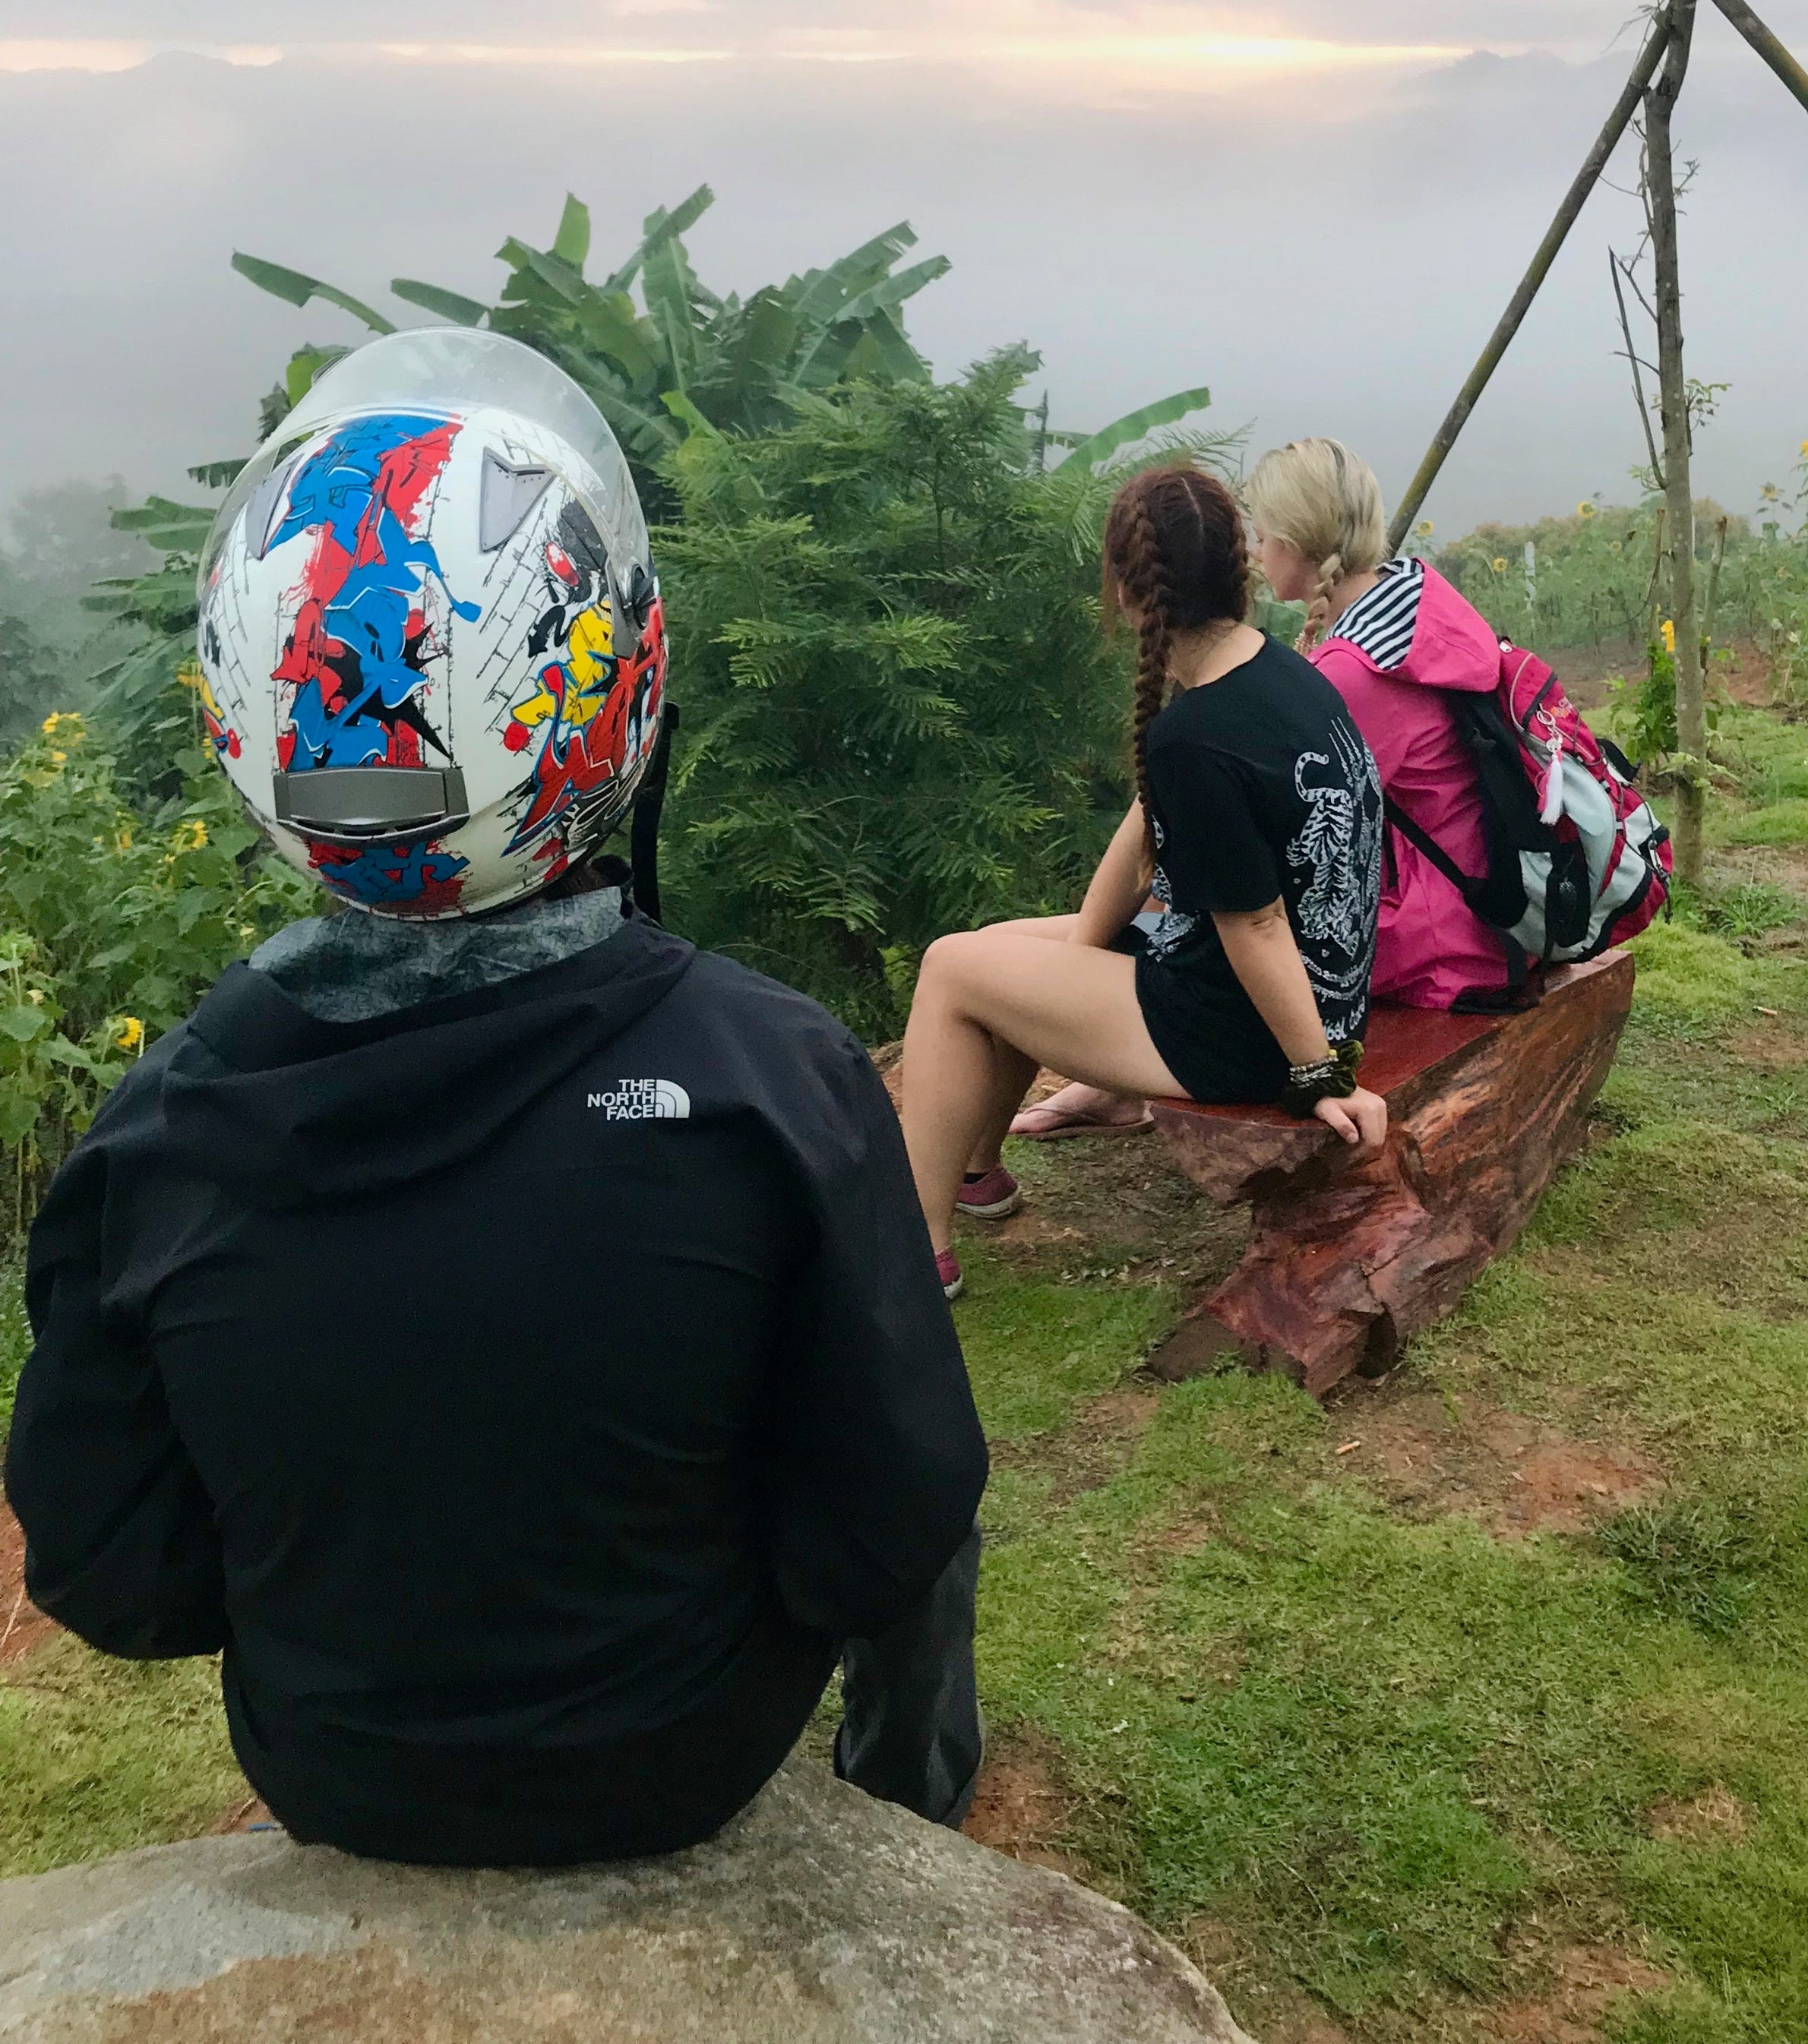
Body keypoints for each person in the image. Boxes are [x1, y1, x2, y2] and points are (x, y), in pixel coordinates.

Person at [4, 330, 987, 1866]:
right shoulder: (770, 1078)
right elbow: (894, 1510)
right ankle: (914, 1806)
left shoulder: (157, 1142)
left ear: (239, 725)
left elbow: (116, 1570)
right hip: (688, 1756)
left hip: (337, 1775)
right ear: (614, 695)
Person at [899, 465, 1389, 1297]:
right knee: (999, 952)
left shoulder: (1196, 736)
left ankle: (910, 1248)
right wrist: (1080, 956)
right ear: (1236, 568)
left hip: (1248, 1034)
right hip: (1311, 992)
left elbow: (1257, 924)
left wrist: (1319, 1077)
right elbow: (1147, 826)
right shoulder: (1275, 670)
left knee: (950, 965)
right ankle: (976, 1172)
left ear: (1129, 588)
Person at [1248, 438, 1519, 1012]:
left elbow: (1291, 833)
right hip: (1486, 902)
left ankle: (1101, 1094)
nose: (1255, 551)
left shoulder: (1353, 673)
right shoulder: (1415, 606)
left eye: (1263, 536)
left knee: (1220, 949)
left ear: (1295, 544)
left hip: (1446, 942)